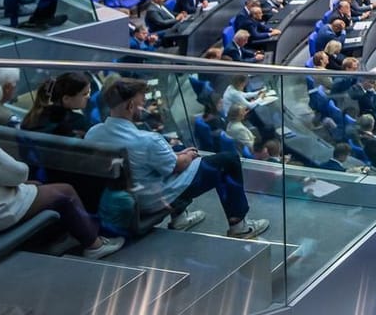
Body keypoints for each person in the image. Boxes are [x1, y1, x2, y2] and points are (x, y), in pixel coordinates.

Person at [0, 81, 124, 259]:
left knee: (39, 185)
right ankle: (94, 244)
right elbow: (20, 173)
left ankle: (69, 232)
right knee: (65, 191)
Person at [90, 78, 269, 238]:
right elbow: (178, 166)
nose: (144, 106)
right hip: (152, 199)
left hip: (122, 194)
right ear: (130, 106)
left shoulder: (93, 133)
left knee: (178, 148)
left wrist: (178, 153)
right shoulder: (147, 140)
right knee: (228, 161)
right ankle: (239, 226)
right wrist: (188, 156)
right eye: (141, 102)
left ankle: (180, 218)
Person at [20, 71, 95, 136]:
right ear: (66, 99)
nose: (88, 97)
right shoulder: (78, 122)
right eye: (84, 94)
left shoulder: (34, 116)